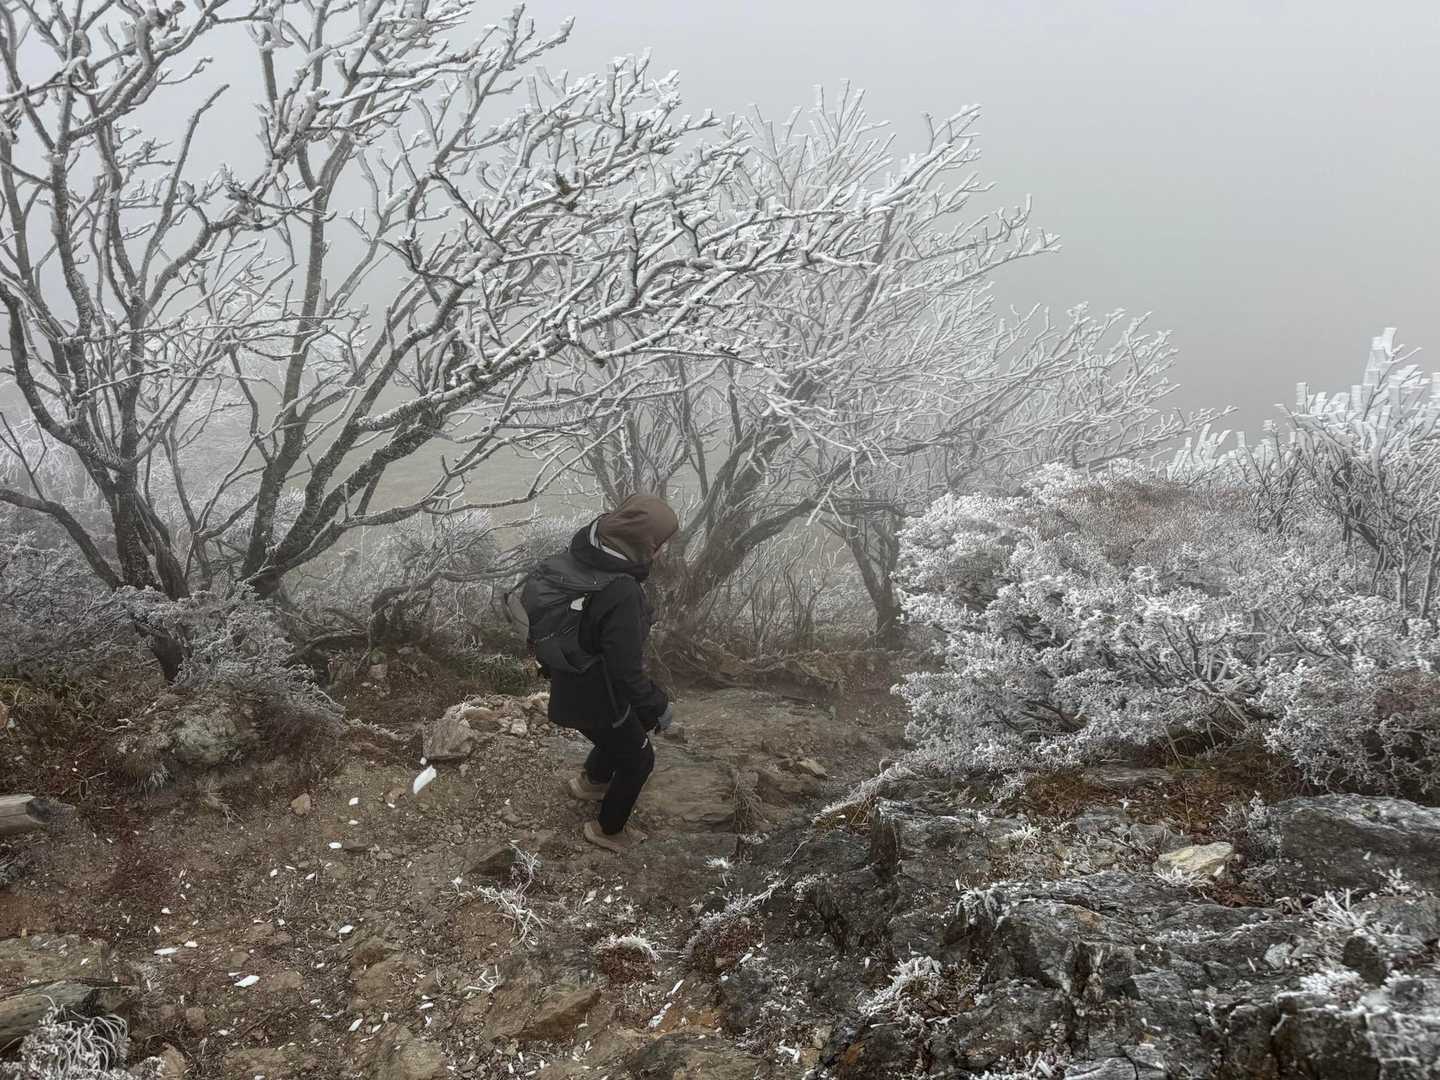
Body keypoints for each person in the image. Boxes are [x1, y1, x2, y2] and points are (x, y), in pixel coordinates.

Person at [545, 494, 678, 853]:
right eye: (660, 543)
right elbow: (625, 670)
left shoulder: (584, 556)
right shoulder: (622, 591)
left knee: (624, 731)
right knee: (639, 759)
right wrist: (658, 705)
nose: (662, 550)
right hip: (598, 693)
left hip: (568, 678)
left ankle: (591, 782)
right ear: (644, 545)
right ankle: (608, 830)